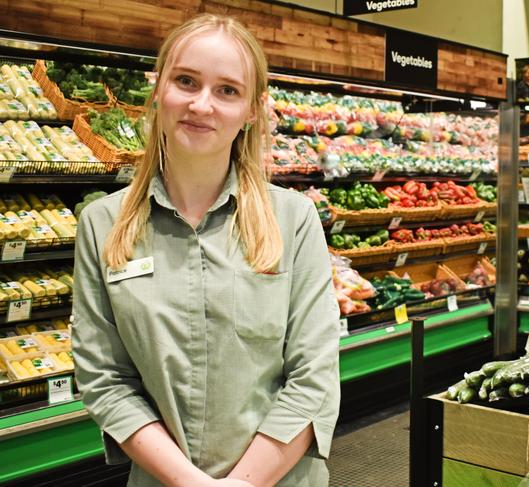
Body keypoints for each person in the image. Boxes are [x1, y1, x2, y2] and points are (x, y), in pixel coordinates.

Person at [72, 13, 340, 487]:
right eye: (186, 81)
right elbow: (106, 381)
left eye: (227, 90)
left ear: (253, 110)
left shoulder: (293, 220)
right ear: (159, 89)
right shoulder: (103, 226)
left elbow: (313, 379)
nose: (201, 104)